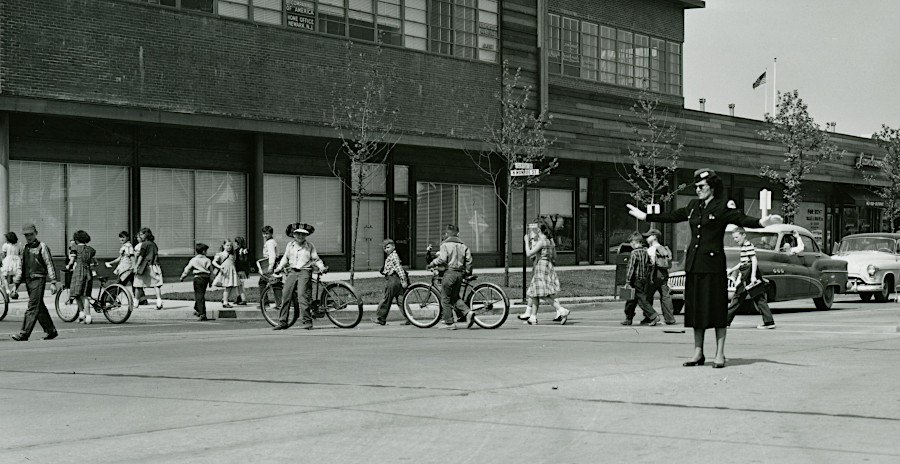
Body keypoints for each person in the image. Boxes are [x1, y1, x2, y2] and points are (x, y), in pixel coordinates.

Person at [627, 168, 780, 368]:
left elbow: (740, 218)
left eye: (701, 186)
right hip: (694, 264)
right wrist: (646, 216)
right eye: (696, 187)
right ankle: (698, 352)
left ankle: (720, 353)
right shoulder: (692, 206)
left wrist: (761, 221)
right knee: (696, 310)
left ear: (712, 187)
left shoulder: (722, 206)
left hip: (713, 265)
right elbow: (672, 216)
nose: (697, 190)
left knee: (716, 310)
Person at [273, 222, 327, 330]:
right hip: (293, 271)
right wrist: (279, 268)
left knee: (302, 295)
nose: (300, 236)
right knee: (286, 295)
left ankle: (307, 321)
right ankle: (282, 322)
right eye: (298, 234)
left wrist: (321, 267)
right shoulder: (290, 245)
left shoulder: (309, 246)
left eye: (303, 234)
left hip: (305, 271)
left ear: (306, 236)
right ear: (294, 234)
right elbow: (285, 258)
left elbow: (315, 259)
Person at [10, 223, 59, 341]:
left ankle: (24, 333)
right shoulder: (24, 248)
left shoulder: (42, 247)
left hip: (39, 278)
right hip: (28, 280)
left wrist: (53, 281)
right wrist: (15, 285)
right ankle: (50, 330)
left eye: (31, 234)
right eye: (26, 235)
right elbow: (20, 267)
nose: (29, 237)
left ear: (36, 233)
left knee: (32, 306)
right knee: (39, 306)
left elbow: (49, 264)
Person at [519, 222, 570, 325]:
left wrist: (525, 241)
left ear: (539, 231)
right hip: (548, 267)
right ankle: (533, 317)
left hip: (541, 267)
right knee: (534, 292)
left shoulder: (542, 242)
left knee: (542, 294)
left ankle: (561, 310)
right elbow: (555, 257)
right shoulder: (550, 242)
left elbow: (529, 253)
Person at [726, 227, 776, 329]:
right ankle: (769, 322)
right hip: (747, 274)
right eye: (734, 238)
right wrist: (732, 269)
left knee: (738, 297)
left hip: (748, 275)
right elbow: (744, 262)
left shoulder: (747, 245)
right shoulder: (744, 246)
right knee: (757, 298)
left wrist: (753, 277)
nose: (735, 240)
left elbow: (753, 260)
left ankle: (725, 321)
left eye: (737, 237)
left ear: (743, 235)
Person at [427, 224, 473, 330]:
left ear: (447, 234)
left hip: (450, 273)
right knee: (454, 297)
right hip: (459, 273)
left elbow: (442, 259)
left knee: (445, 298)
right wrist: (467, 271)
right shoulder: (463, 245)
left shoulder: (445, 245)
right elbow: (469, 260)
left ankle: (449, 322)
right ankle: (468, 312)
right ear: (458, 234)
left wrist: (432, 264)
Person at [620, 231, 660, 326]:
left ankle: (653, 315)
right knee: (631, 300)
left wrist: (628, 281)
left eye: (631, 243)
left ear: (634, 242)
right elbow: (649, 265)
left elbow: (631, 268)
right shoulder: (645, 251)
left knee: (641, 300)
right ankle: (628, 318)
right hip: (644, 279)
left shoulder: (634, 253)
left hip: (636, 280)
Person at [644, 228, 677, 325]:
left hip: (654, 274)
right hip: (663, 273)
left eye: (648, 236)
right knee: (665, 296)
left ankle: (649, 317)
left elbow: (651, 263)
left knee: (648, 295)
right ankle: (669, 318)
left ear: (654, 237)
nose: (646, 238)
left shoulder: (651, 249)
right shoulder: (663, 248)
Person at [373, 238, 408, 326]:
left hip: (393, 279)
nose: (386, 250)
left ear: (393, 247)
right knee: (401, 300)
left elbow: (399, 268)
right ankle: (409, 317)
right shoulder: (392, 256)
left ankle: (381, 318)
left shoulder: (393, 256)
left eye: (388, 247)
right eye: (384, 248)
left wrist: (404, 280)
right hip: (396, 280)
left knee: (387, 299)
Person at [68, 230, 97, 324]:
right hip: (87, 271)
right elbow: (94, 262)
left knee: (76, 293)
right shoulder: (89, 249)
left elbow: (72, 260)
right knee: (85, 295)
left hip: (78, 271)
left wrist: (68, 266)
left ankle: (81, 313)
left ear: (76, 239)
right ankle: (88, 316)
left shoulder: (75, 248)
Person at [133, 227, 164, 310]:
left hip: (145, 267)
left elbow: (141, 256)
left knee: (138, 285)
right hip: (154, 266)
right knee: (156, 285)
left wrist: (136, 266)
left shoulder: (144, 244)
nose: (140, 237)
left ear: (146, 235)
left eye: (141, 235)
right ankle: (159, 302)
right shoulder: (153, 244)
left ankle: (135, 303)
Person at [181, 243, 213, 321]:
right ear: (203, 251)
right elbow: (211, 271)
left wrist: (183, 276)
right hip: (205, 278)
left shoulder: (194, 260)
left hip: (197, 278)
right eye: (206, 251)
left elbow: (187, 269)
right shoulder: (207, 260)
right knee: (201, 294)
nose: (206, 252)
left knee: (199, 295)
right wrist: (211, 281)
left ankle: (202, 313)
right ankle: (198, 308)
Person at [258, 225, 283, 308]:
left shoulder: (270, 243)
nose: (265, 235)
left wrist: (270, 267)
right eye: (264, 234)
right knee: (276, 283)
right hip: (274, 264)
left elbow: (272, 255)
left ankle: (264, 303)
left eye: (267, 234)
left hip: (270, 264)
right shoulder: (271, 241)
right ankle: (279, 303)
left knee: (262, 283)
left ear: (271, 234)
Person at [212, 240, 240, 308]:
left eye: (230, 245)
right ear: (224, 246)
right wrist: (219, 267)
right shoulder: (221, 254)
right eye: (227, 245)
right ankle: (225, 302)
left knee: (230, 287)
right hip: (226, 272)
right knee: (228, 286)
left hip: (231, 271)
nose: (229, 247)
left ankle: (224, 299)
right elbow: (214, 262)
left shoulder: (233, 254)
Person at [1, 231, 22, 299]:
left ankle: (7, 290)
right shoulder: (19, 244)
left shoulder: (5, 245)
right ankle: (14, 288)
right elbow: (20, 253)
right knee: (17, 276)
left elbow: (3, 255)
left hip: (8, 260)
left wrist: (4, 259)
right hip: (16, 261)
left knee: (5, 276)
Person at [233, 236, 252, 305]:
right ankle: (239, 298)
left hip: (239, 270)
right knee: (239, 285)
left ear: (238, 243)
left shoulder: (237, 251)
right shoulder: (246, 250)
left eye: (235, 242)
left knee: (239, 285)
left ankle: (243, 299)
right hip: (244, 270)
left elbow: (239, 261)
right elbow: (249, 260)